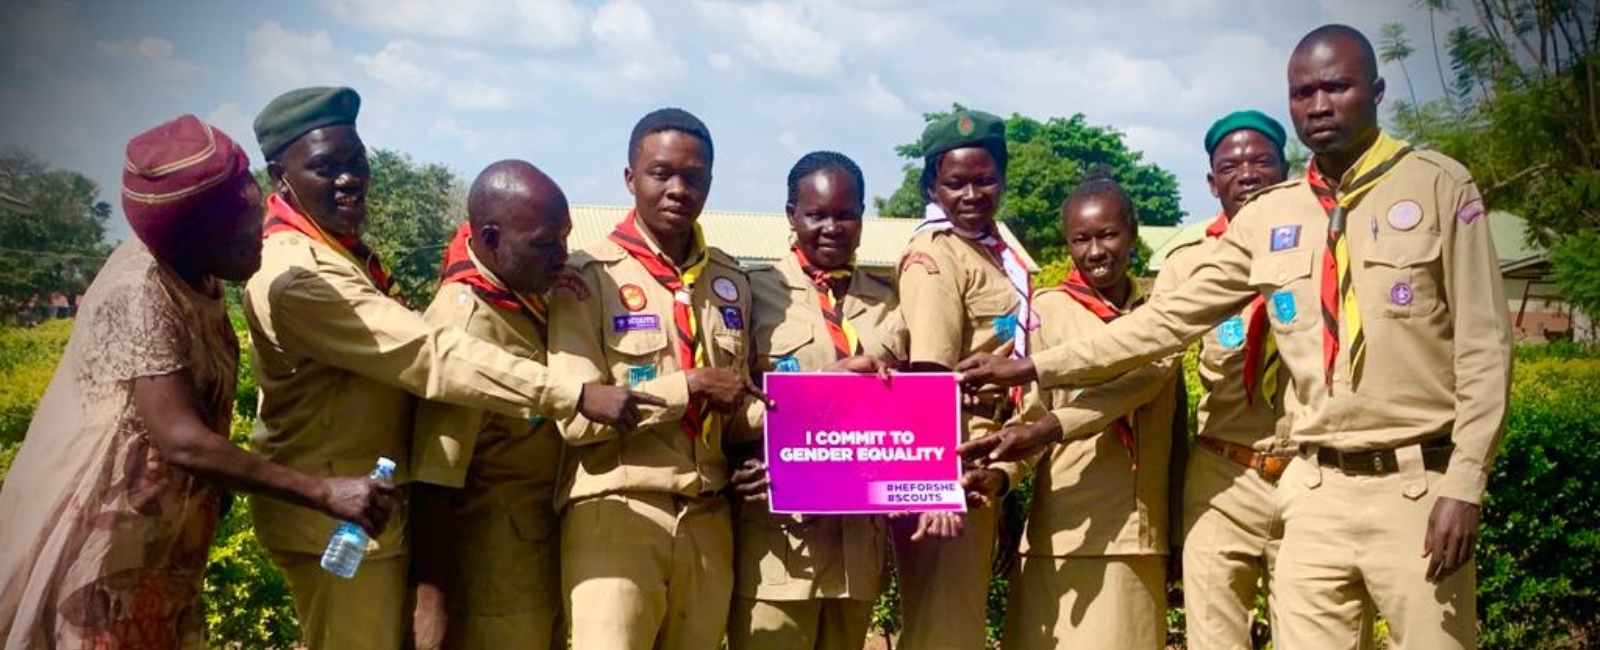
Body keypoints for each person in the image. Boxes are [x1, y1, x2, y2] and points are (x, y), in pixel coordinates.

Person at [958, 25, 1511, 650]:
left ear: (1376, 90)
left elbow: (1485, 351)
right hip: (1314, 488)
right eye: (1304, 92)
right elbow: (1163, 323)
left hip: (1415, 483)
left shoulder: (1438, 187)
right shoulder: (1273, 215)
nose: (1320, 105)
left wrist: (1464, 485)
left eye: (1338, 86)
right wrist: (1032, 370)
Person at [244, 87, 659, 650]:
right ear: (279, 175)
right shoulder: (299, 277)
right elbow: (429, 358)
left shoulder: (339, 251)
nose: (350, 179)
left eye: (357, 162)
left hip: (374, 517)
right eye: (326, 168)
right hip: (339, 528)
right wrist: (573, 393)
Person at [0, 115, 397, 648]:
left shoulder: (200, 272)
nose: (258, 242)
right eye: (239, 238)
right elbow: (181, 438)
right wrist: (323, 491)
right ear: (189, 240)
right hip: (98, 530)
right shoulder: (140, 291)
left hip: (158, 534)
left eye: (254, 216)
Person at [547, 107, 769, 650]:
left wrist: (836, 394)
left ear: (711, 182)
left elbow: (740, 406)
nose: (678, 189)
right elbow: (575, 419)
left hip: (708, 519)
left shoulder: (729, 280)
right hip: (618, 515)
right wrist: (687, 387)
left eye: (693, 177)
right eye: (661, 173)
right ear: (630, 179)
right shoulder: (586, 277)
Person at [990, 171, 1182, 650]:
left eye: (1108, 234)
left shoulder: (1162, 316)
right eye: (1081, 239)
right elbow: (1026, 422)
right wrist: (1000, 477)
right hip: (1063, 534)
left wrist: (1178, 531)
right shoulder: (1048, 312)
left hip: (1139, 536)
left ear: (1133, 232)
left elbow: (1155, 400)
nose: (1096, 251)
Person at [722, 151, 906, 650]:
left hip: (857, 547)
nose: (831, 227)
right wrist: (826, 383)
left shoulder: (891, 302)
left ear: (862, 218)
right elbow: (730, 407)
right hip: (779, 546)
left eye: (845, 214)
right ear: (790, 216)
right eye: (816, 214)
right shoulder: (752, 292)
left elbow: (910, 414)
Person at [408, 161, 587, 650]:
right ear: (489, 238)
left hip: (542, 546)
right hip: (495, 570)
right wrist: (432, 606)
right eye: (545, 244)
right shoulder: (465, 326)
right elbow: (434, 480)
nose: (562, 255)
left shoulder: (522, 295)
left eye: (565, 239)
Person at [893, 108, 1030, 650]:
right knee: (943, 630)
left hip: (986, 455)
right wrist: (936, 487)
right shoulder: (936, 256)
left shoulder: (996, 253)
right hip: (952, 460)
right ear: (931, 185)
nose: (972, 194)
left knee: (960, 622)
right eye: (955, 183)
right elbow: (929, 373)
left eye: (985, 179)